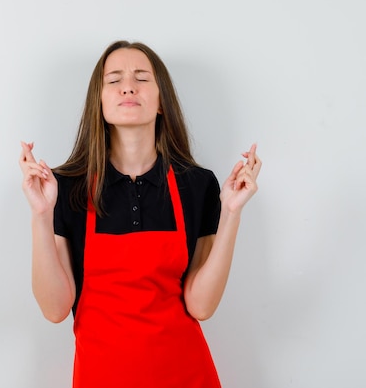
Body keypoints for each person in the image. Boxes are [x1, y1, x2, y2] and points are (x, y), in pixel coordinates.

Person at [18, 40, 261, 388]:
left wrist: (231, 214)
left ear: (162, 102)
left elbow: (201, 306)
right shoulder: (65, 188)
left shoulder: (197, 185)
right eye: (114, 79)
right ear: (98, 103)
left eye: (142, 78)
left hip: (187, 377)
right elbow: (54, 309)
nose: (128, 86)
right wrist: (41, 214)